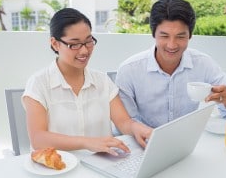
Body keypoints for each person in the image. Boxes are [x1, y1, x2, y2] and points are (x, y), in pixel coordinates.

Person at [22, 8, 152, 156]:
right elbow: (38, 139)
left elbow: (123, 122)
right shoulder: (38, 84)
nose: (84, 51)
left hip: (101, 165)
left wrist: (137, 128)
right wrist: (87, 142)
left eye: (88, 41)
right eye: (74, 44)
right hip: (58, 170)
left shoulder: (102, 80)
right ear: (55, 44)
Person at [115, 0, 226, 128]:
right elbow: (125, 122)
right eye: (164, 36)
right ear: (153, 33)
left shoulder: (203, 63)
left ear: (190, 35)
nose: (172, 45)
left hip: (186, 142)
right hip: (144, 143)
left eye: (180, 36)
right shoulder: (129, 70)